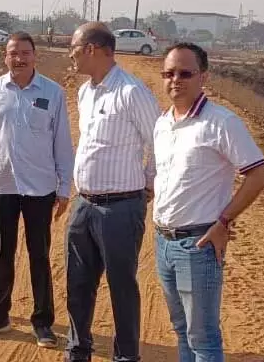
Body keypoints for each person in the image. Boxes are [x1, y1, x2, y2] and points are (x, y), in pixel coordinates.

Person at [153, 43, 264, 361]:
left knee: (202, 338)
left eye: (185, 73)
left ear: (203, 77)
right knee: (181, 330)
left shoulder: (221, 122)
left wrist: (223, 222)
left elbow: (259, 174)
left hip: (198, 244)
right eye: (169, 73)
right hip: (163, 242)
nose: (176, 80)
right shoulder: (163, 122)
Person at [0, 32, 74, 348]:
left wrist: (64, 187)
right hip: (1, 186)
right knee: (2, 254)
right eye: (13, 53)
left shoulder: (52, 93)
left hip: (40, 188)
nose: (19, 59)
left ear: (34, 56)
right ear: (6, 57)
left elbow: (62, 143)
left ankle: (43, 322)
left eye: (25, 53)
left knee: (39, 255)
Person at [66, 22, 160, 362]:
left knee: (121, 287)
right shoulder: (85, 92)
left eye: (74, 48)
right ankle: (78, 350)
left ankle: (126, 356)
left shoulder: (131, 92)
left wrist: (149, 182)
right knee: (78, 284)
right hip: (84, 204)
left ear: (91, 49)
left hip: (120, 209)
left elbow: (161, 141)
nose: (71, 55)